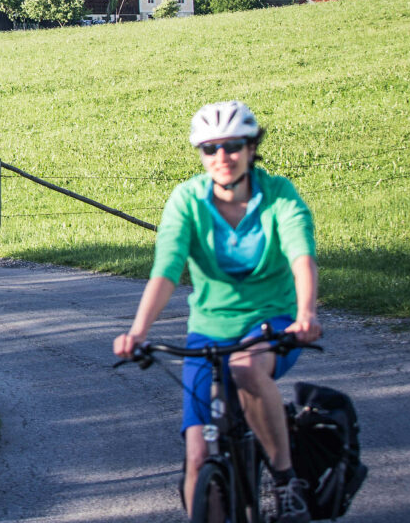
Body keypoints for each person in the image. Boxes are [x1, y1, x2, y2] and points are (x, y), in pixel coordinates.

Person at [113, 100, 321, 522]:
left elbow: (302, 256)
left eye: (232, 146)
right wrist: (137, 331)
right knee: (196, 456)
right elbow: (166, 271)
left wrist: (306, 314)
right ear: (201, 154)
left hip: (273, 322)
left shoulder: (278, 194)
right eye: (210, 149)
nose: (222, 157)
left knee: (245, 368)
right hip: (208, 331)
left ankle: (286, 482)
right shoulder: (187, 201)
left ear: (251, 147)